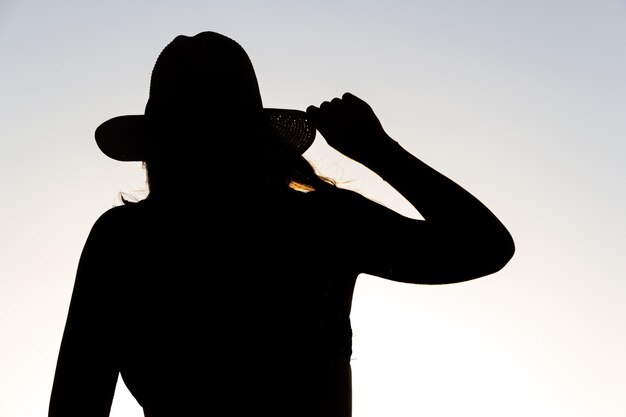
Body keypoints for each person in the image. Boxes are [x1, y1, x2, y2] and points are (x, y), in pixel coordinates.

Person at [48, 31, 515, 417]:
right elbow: (483, 245)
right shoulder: (321, 222)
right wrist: (376, 150)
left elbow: (75, 401)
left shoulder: (126, 239)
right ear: (257, 139)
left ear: (156, 147)